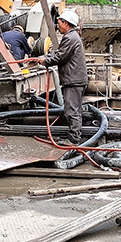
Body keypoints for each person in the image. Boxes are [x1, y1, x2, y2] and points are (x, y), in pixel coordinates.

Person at [38, 9, 87, 145]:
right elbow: (59, 53)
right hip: (75, 79)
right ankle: (74, 136)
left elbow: (60, 56)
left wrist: (44, 61)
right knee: (74, 109)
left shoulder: (70, 38)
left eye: (59, 22)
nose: (57, 25)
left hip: (73, 80)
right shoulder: (72, 37)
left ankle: (74, 139)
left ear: (66, 23)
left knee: (72, 110)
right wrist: (44, 57)